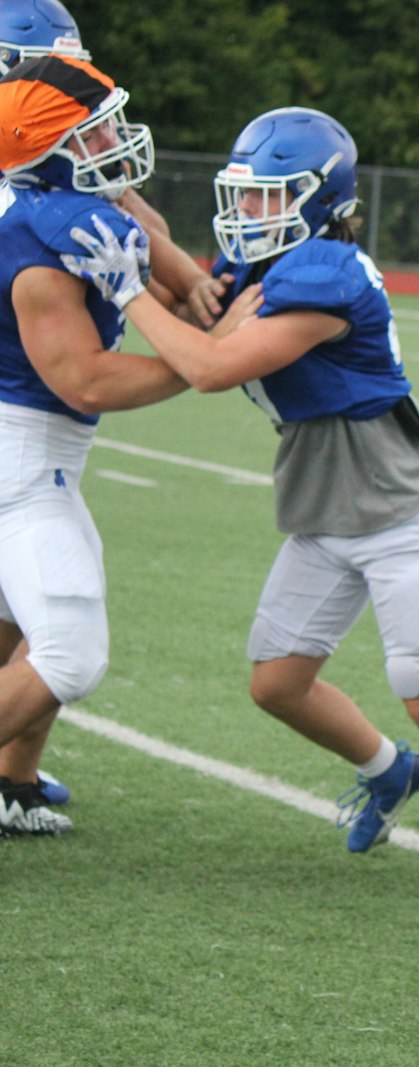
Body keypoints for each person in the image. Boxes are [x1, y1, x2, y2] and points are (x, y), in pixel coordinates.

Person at [64, 106, 419, 911]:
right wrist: (106, 198)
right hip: (324, 513)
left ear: (320, 201)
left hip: (398, 514)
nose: (248, 214)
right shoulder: (265, 258)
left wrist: (127, 292)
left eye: (270, 197)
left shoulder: (326, 274)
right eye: (245, 195)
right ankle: (388, 772)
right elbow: (187, 283)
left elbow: (208, 366)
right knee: (277, 681)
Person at [0, 0, 230, 815]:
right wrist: (204, 361)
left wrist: (194, 290)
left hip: (31, 444)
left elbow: (141, 224)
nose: (113, 139)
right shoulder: (40, 227)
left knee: (12, 625)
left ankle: (12, 783)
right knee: (65, 646)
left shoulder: (54, 198)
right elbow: (87, 381)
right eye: (94, 129)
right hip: (20, 444)